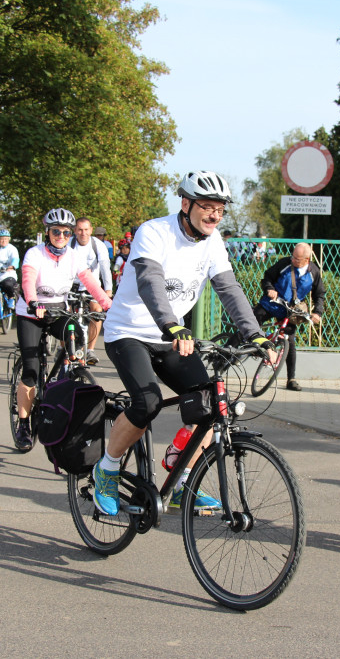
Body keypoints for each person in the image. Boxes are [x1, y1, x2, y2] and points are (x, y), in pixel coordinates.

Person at [93, 170, 276, 516]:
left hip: (173, 338)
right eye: (207, 207)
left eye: (219, 210)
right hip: (130, 332)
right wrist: (172, 325)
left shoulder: (213, 241)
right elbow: (150, 281)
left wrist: (255, 334)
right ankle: (108, 468)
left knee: (209, 404)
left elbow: (229, 289)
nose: (213, 215)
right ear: (185, 203)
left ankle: (182, 481)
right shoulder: (155, 232)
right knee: (146, 403)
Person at [12, 208, 112, 450]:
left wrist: (110, 305)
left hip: (58, 311)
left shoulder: (73, 257)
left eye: (66, 233)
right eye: (56, 231)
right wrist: (33, 301)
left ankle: (64, 377)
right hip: (32, 313)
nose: (61, 236)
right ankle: (24, 424)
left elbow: (90, 282)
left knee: (77, 333)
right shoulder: (34, 254)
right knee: (31, 372)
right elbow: (28, 279)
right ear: (48, 232)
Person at [253, 242, 326, 391]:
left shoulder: (314, 273)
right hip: (271, 304)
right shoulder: (285, 263)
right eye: (293, 256)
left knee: (289, 343)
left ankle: (291, 379)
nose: (293, 260)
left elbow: (320, 294)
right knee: (250, 324)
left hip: (290, 311)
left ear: (307, 259)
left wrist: (317, 313)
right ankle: (228, 353)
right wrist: (269, 289)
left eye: (297, 259)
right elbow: (267, 277)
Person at [70, 217, 113, 365]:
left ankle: (90, 350)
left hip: (92, 285)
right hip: (72, 285)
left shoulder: (98, 245)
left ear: (91, 230)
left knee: (96, 312)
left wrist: (108, 290)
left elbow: (105, 268)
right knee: (65, 315)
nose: (83, 233)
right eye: (80, 230)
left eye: (86, 229)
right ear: (75, 230)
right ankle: (64, 348)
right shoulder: (69, 244)